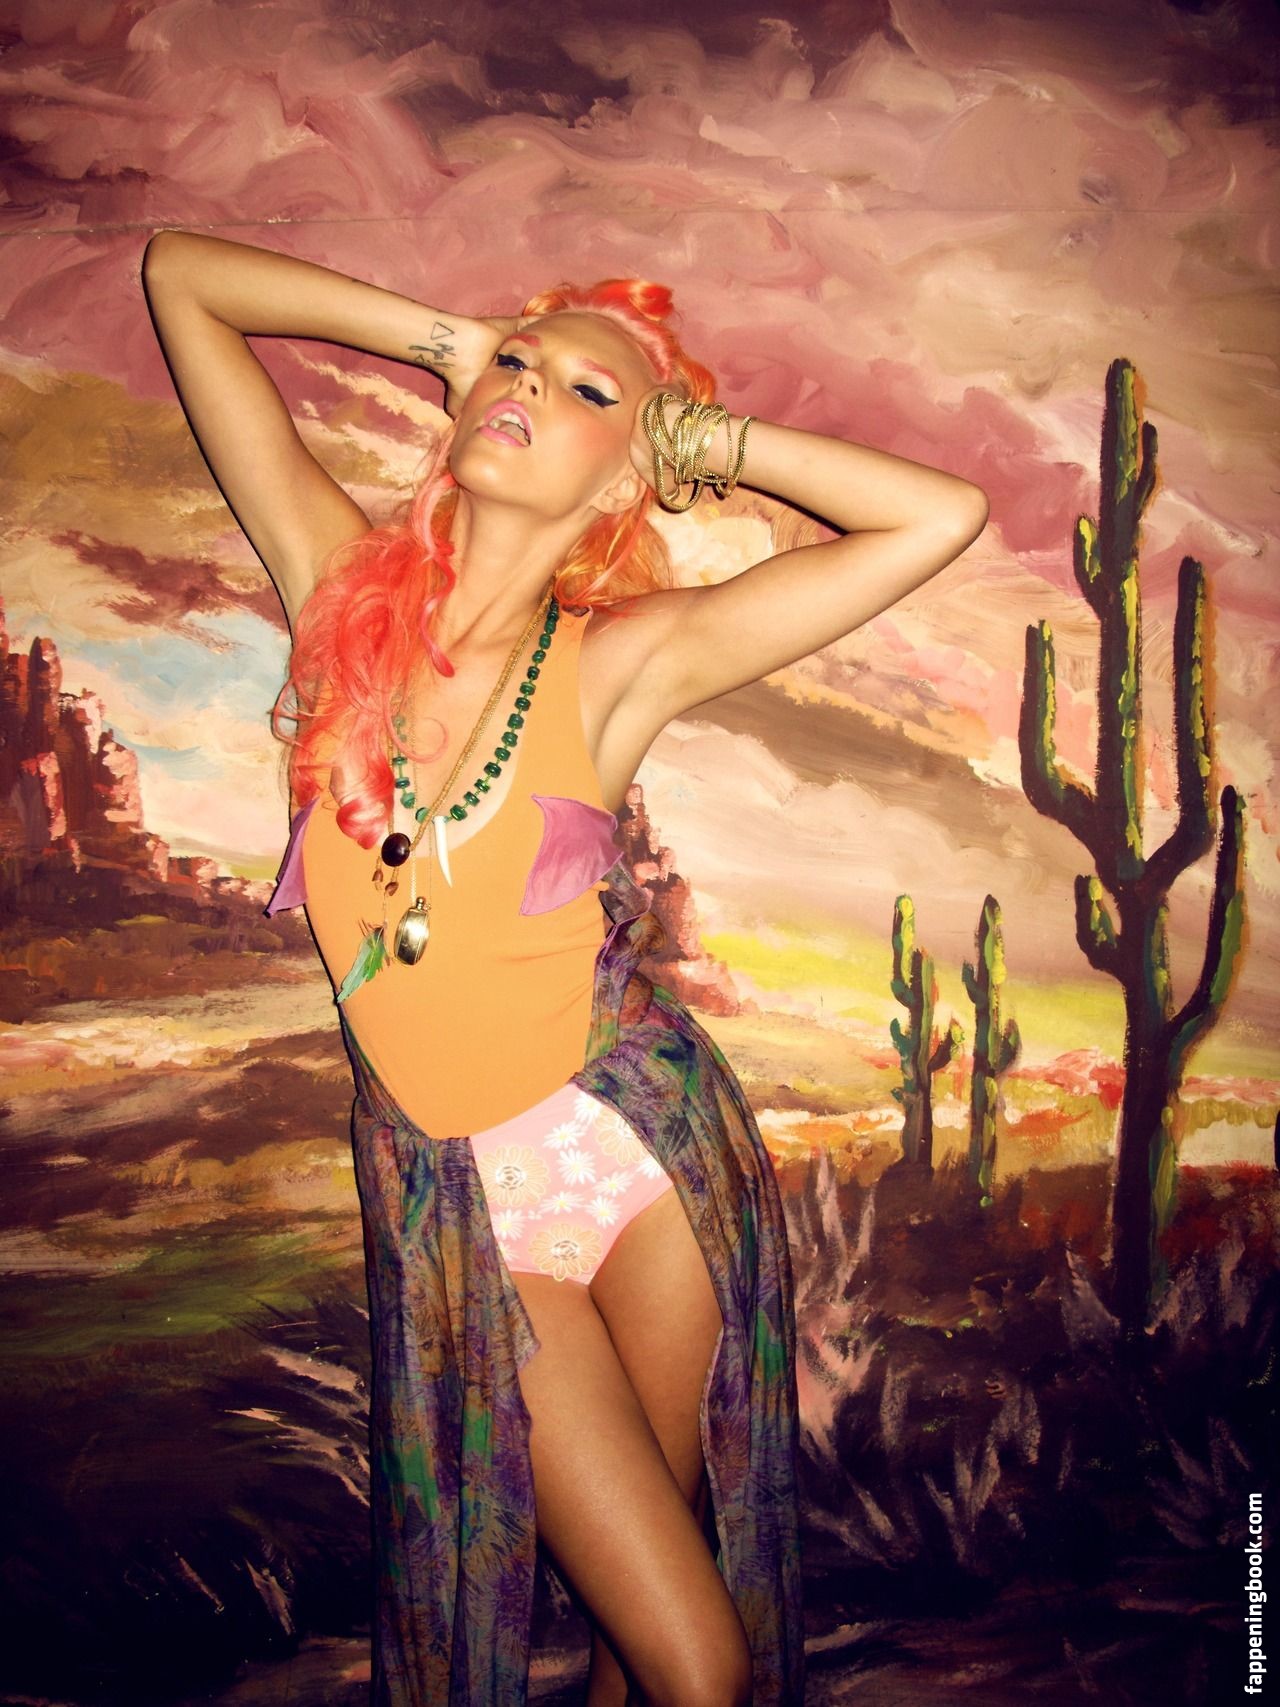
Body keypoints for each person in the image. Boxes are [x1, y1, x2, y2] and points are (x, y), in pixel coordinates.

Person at [143, 231, 988, 1707]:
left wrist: (698, 442)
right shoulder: (332, 581)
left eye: (586, 392)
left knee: (648, 1657)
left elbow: (940, 516)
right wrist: (453, 341)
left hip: (649, 1159)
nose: (529, 388)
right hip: (472, 1202)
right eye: (519, 366)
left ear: (622, 478)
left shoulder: (621, 661)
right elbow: (179, 279)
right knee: (695, 1662)